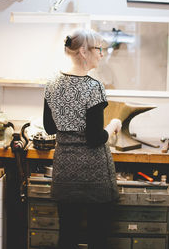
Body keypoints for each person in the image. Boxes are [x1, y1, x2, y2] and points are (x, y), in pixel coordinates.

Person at [43, 28, 122, 249]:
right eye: (99, 48)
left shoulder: (51, 84)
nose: (102, 53)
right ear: (84, 52)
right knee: (97, 237)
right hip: (93, 177)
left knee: (67, 236)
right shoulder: (93, 87)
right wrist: (113, 125)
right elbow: (96, 138)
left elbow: (50, 127)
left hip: (64, 172)